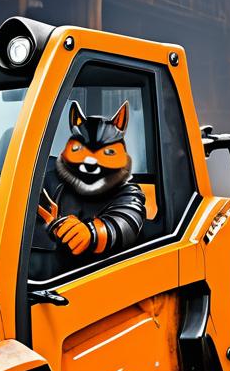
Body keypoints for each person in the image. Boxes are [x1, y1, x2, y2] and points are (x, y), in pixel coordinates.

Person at [31, 99, 146, 279]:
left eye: (106, 152)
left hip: (84, 281)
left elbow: (127, 219)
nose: (90, 161)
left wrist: (92, 234)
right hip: (30, 278)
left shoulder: (126, 192)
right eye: (80, 150)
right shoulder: (51, 177)